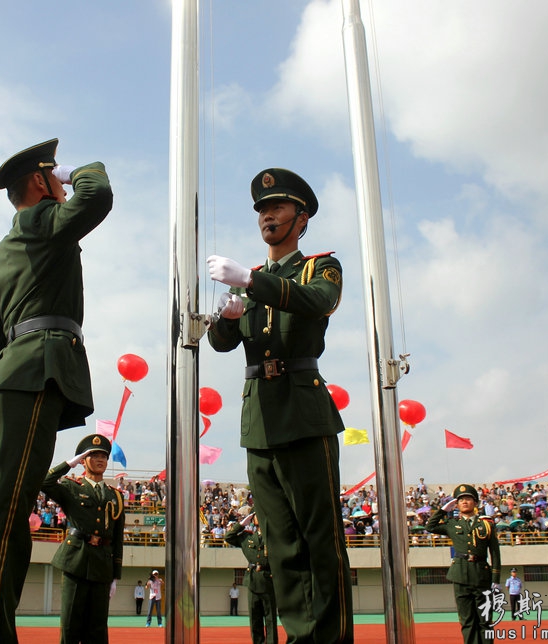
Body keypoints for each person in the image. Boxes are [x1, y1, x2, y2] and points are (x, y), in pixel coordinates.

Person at [0, 138, 113, 644]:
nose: (62, 189)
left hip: (2, 385)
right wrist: (74, 172)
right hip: (34, 373)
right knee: (3, 527)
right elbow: (99, 193)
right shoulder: (40, 221)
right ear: (43, 182)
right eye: (54, 179)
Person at [207, 168, 352, 643]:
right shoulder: (250, 283)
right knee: (281, 544)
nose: (267, 215)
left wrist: (251, 281)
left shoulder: (319, 268)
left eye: (278, 207)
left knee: (320, 540)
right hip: (260, 419)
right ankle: (299, 634)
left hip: (305, 412)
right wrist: (226, 319)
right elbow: (222, 345)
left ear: (301, 217)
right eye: (262, 210)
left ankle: (328, 637)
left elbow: (317, 302)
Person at [41, 434, 125, 643]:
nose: (100, 460)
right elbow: (45, 482)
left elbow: (117, 536)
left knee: (97, 628)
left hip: (102, 565)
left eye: (104, 456)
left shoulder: (115, 496)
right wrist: (69, 463)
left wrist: (115, 575)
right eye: (94, 455)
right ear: (83, 461)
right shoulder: (72, 488)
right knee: (71, 624)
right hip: (76, 560)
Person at [426, 484, 502, 644]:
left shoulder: (486, 525)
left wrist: (496, 579)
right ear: (456, 504)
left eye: (468, 499)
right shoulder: (452, 524)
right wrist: (442, 510)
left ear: (475, 503)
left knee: (484, 620)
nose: (464, 502)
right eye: (460, 500)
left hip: (481, 576)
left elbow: (495, 553)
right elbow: (430, 526)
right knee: (467, 621)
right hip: (460, 575)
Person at [225, 512, 279, 644]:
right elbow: (228, 537)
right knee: (255, 619)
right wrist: (242, 524)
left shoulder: (273, 537)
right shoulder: (246, 538)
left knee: (270, 619)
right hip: (252, 581)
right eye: (255, 515)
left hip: (268, 580)